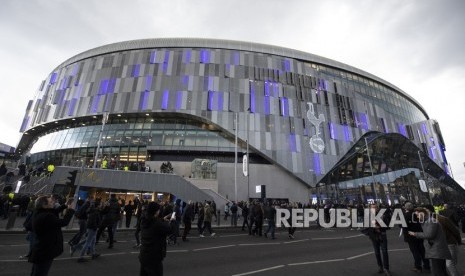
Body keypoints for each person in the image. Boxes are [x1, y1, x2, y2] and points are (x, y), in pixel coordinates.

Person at [29, 196, 75, 276]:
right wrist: (70, 210)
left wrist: (65, 205)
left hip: (40, 249)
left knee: (36, 272)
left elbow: (53, 211)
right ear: (44, 205)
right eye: (50, 202)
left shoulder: (39, 212)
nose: (53, 203)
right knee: (41, 273)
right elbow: (64, 222)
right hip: (45, 251)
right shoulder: (46, 216)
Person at [408, 207, 451, 276]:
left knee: (438, 272)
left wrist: (415, 234)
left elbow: (429, 235)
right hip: (435, 250)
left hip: (437, 250)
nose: (417, 216)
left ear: (423, 213)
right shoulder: (427, 221)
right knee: (441, 271)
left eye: (418, 215)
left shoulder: (431, 221)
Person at [139, 201, 176, 276]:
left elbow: (154, 222)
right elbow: (170, 230)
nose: (159, 211)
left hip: (144, 255)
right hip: (154, 257)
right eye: (158, 210)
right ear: (156, 212)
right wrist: (172, 221)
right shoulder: (157, 224)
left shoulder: (144, 220)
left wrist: (163, 219)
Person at [402, 202, 430, 272]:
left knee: (415, 252)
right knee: (422, 251)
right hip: (420, 234)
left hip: (411, 235)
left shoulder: (405, 215)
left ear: (406, 208)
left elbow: (404, 226)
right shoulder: (417, 214)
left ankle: (418, 266)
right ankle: (427, 265)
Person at [365, 203, 392, 276]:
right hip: (374, 236)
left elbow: (388, 226)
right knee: (377, 252)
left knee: (384, 252)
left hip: (382, 235)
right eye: (372, 208)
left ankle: (386, 268)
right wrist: (373, 228)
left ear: (377, 208)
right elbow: (366, 228)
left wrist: (381, 225)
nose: (374, 209)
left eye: (375, 207)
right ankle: (380, 267)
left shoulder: (382, 215)